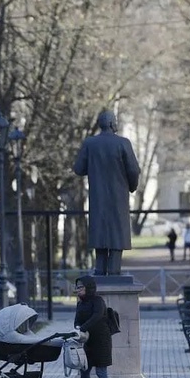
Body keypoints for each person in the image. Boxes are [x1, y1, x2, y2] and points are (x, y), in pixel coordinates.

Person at [73, 110, 141, 276]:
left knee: (100, 232)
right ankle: (114, 270)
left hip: (98, 198)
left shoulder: (90, 143)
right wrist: (131, 187)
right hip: (119, 198)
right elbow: (134, 171)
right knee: (117, 234)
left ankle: (100, 270)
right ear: (112, 124)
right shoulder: (123, 143)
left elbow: (78, 169)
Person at [64, 275, 112, 378]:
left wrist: (83, 328)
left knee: (101, 371)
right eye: (77, 287)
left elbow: (97, 316)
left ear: (88, 288)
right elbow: (77, 319)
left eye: (81, 287)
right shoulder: (80, 303)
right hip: (86, 341)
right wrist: (78, 328)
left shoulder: (98, 301)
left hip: (101, 340)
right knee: (84, 370)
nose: (78, 290)